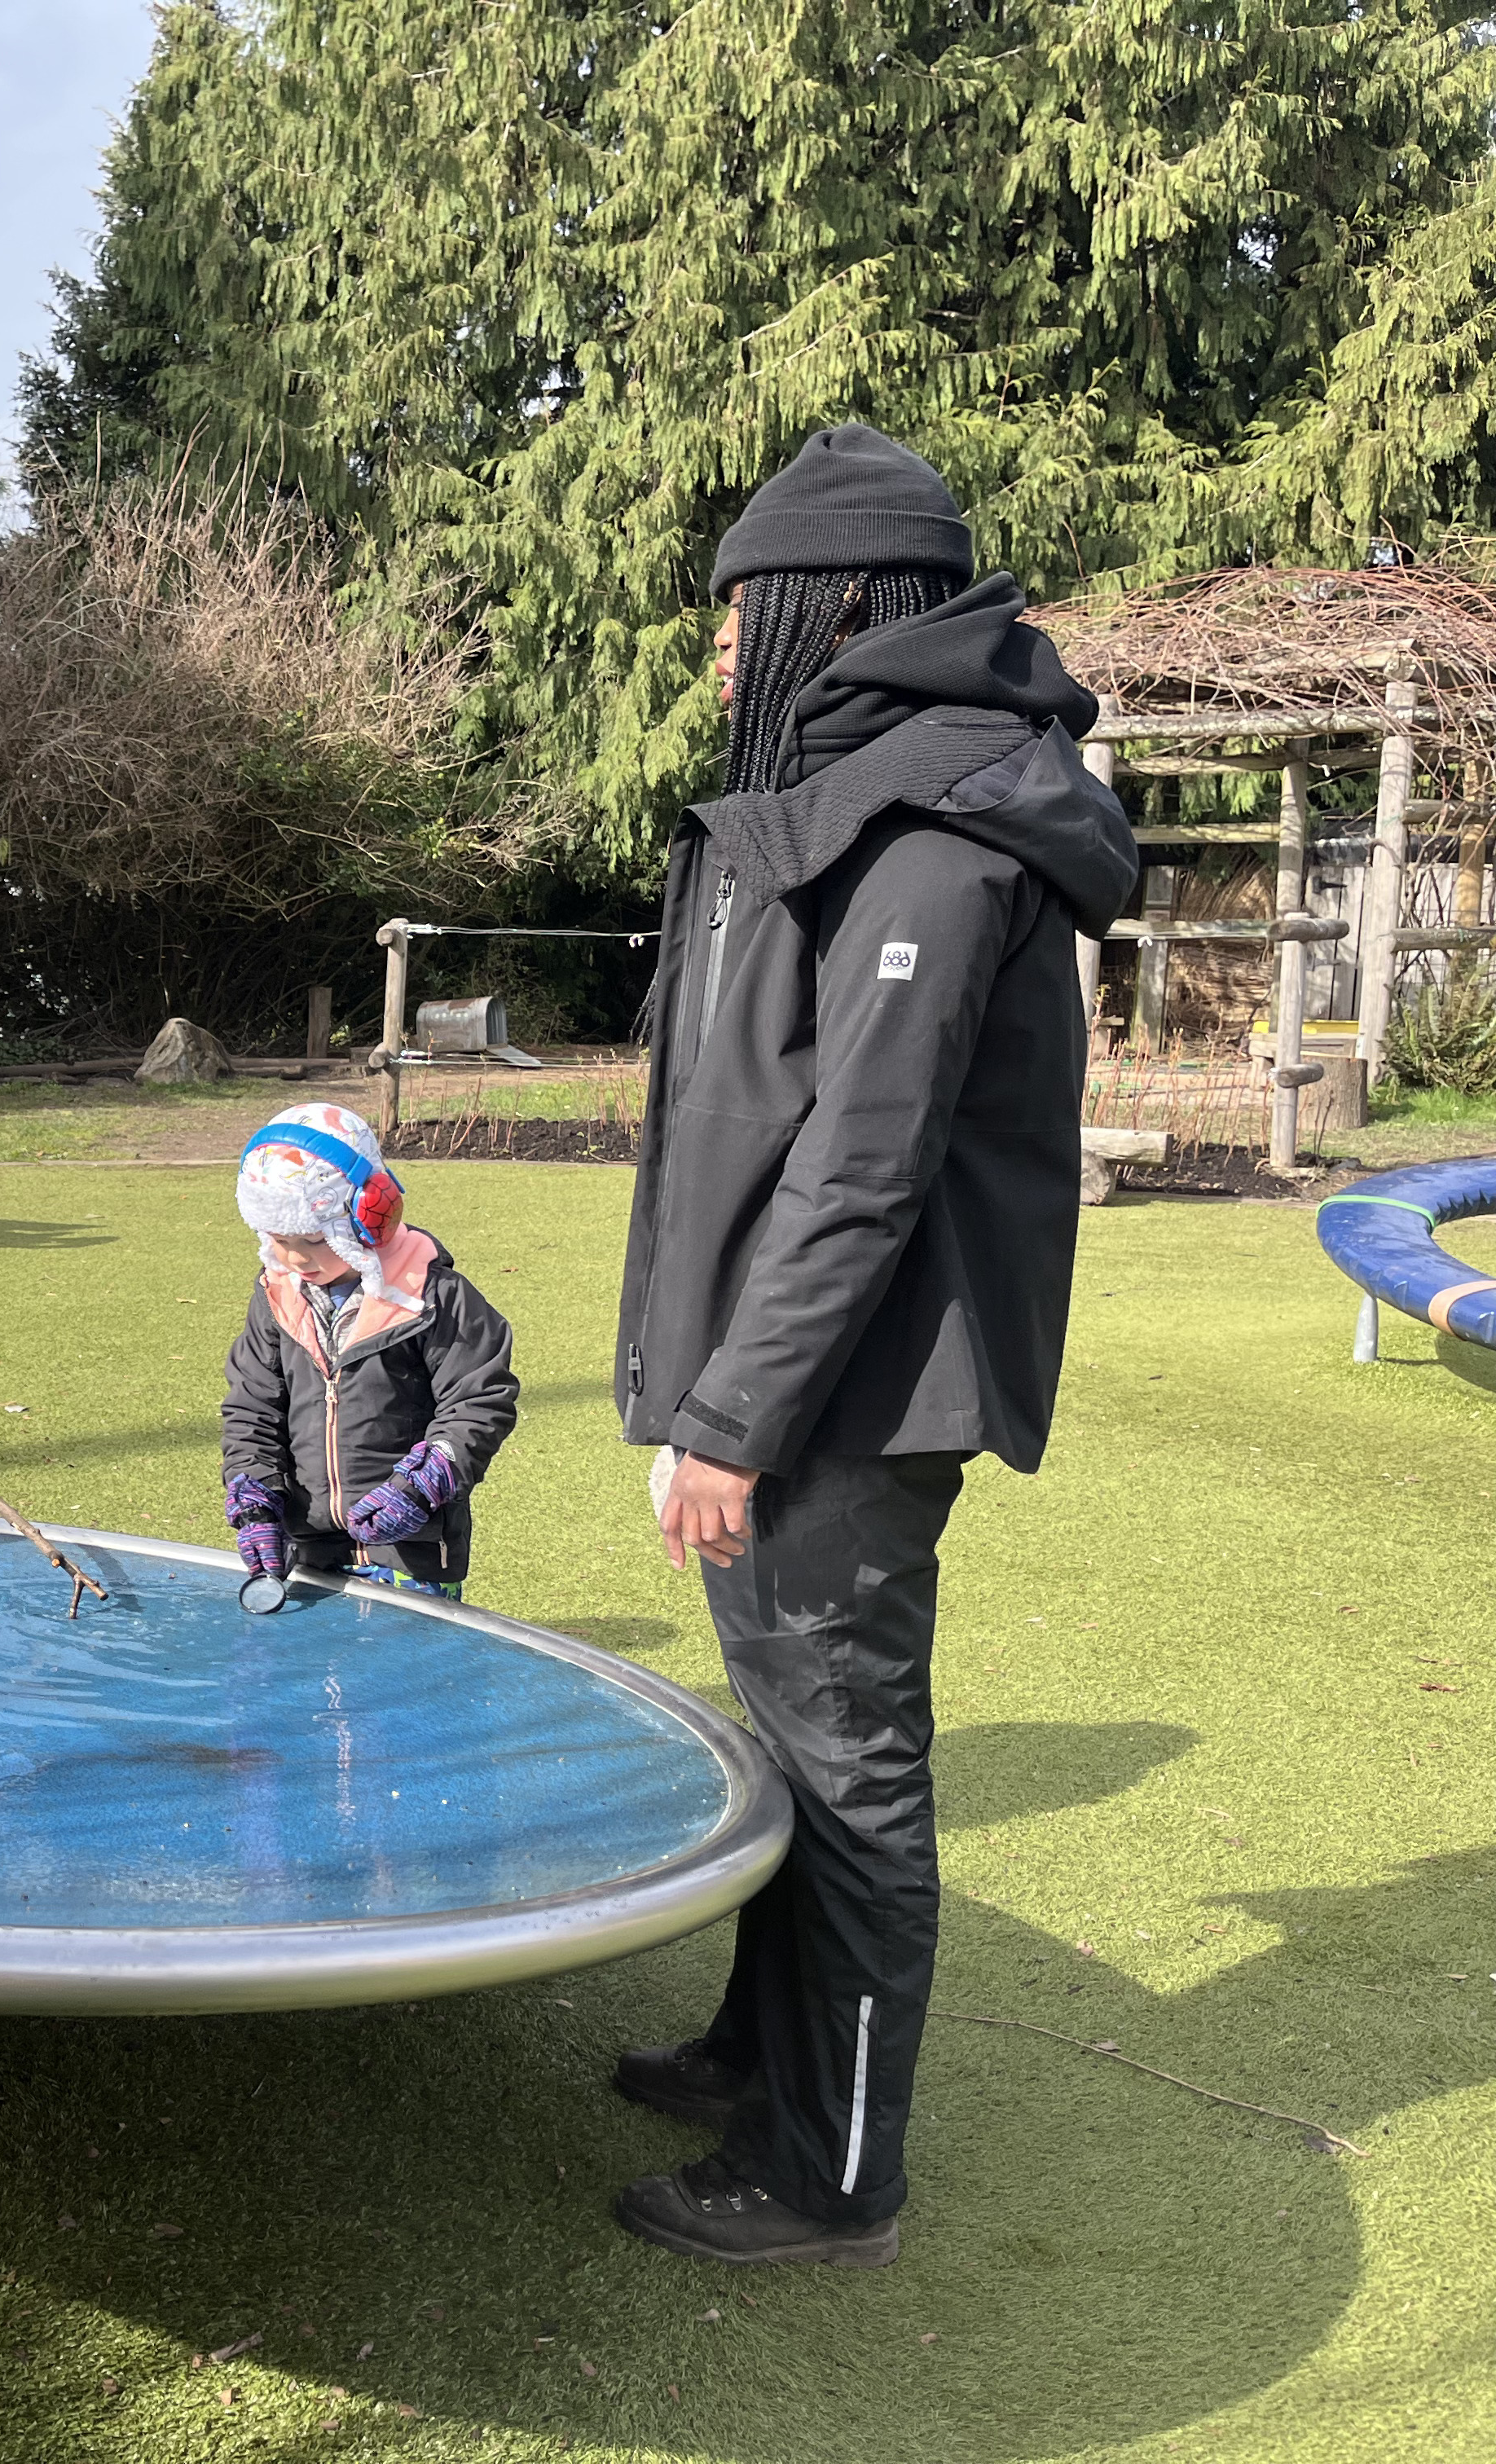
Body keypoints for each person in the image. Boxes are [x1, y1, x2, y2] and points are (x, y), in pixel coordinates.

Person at [607, 424, 1136, 2267]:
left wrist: (732, 1418)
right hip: (793, 1385)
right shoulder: (869, 795)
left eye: (742, 615)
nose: (724, 656)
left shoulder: (946, 820)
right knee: (783, 1734)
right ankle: (760, 2052)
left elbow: (865, 1158)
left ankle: (830, 2169)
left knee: (844, 1766)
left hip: (853, 1395)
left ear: (835, 603)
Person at [218, 1103, 519, 1599]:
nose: (295, 1257)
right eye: (278, 1238)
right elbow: (252, 1407)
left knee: (408, 1675)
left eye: (314, 1239)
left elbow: (478, 1399)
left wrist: (425, 1484)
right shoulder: (276, 1296)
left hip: (412, 1546)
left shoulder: (432, 1296)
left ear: (368, 1214)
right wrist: (254, 1498)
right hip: (306, 1546)